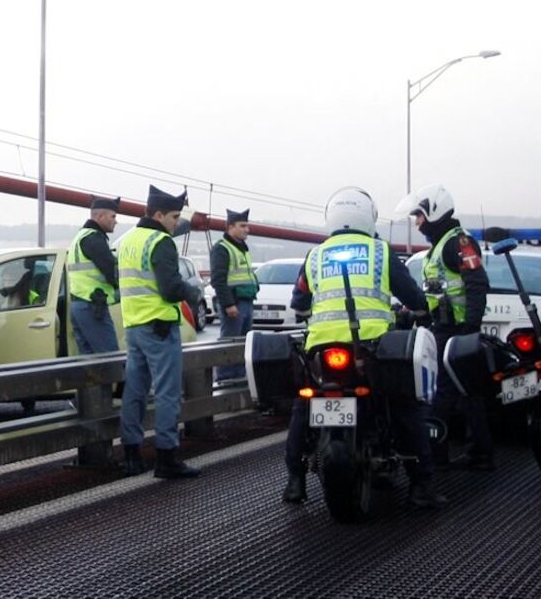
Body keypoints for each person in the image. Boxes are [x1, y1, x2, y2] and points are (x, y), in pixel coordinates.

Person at [283, 186, 446, 509]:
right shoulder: (381, 252)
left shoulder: (316, 255)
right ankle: (421, 485)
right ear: (368, 216)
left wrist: (307, 313)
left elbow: (299, 303)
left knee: (304, 406)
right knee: (404, 404)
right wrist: (422, 312)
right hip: (371, 347)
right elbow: (412, 296)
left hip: (321, 350)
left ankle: (294, 481)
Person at [398, 184, 494, 472]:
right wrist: (412, 315)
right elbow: (436, 292)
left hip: (457, 330)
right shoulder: (440, 246)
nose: (417, 223)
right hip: (443, 327)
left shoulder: (459, 242)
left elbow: (476, 285)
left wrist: (469, 328)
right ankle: (476, 452)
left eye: (420, 216)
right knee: (462, 391)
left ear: (434, 212)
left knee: (444, 391)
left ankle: (439, 454)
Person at [118, 185, 203, 479]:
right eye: (174, 216)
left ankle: (131, 453)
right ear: (158, 214)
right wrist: (192, 293)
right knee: (168, 393)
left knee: (135, 391)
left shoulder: (128, 240)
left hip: (134, 326)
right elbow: (169, 289)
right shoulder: (161, 242)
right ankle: (166, 458)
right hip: (161, 326)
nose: (177, 222)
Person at [67, 196, 122, 354]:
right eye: (113, 216)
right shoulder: (94, 239)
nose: (116, 221)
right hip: (92, 306)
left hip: (79, 305)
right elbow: (112, 272)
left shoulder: (80, 237)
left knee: (90, 363)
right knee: (110, 360)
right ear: (100, 216)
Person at [209, 208, 259, 381]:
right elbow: (218, 280)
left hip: (245, 301)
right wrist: (228, 304)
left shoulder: (241, 248)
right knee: (229, 344)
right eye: (243, 225)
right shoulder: (222, 249)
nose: (247, 229)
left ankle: (238, 377)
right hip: (234, 303)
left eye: (247, 225)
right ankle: (225, 379)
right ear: (230, 227)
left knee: (243, 344)